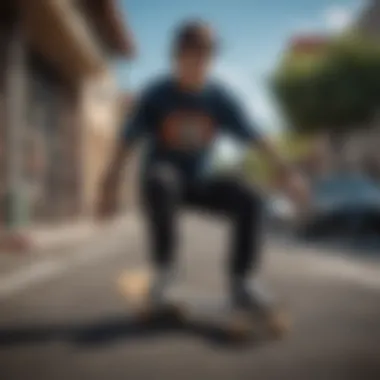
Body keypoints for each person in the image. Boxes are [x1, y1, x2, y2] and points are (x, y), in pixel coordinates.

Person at [97, 20, 309, 316]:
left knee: (249, 195)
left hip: (199, 182)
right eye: (191, 55)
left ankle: (242, 281)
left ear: (212, 59)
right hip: (163, 181)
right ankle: (166, 274)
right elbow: (126, 142)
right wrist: (108, 186)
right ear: (176, 57)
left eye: (205, 56)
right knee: (161, 180)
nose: (198, 64)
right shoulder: (156, 95)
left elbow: (257, 137)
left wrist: (288, 173)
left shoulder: (218, 98)